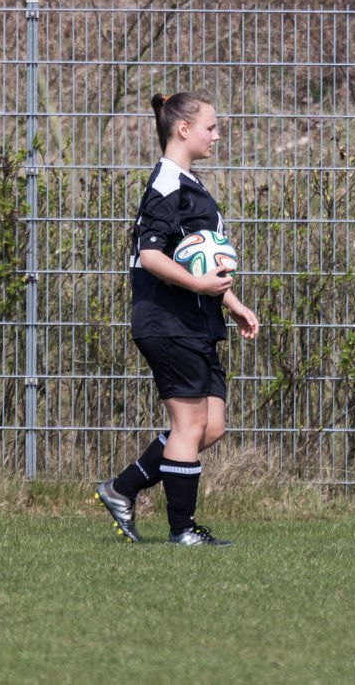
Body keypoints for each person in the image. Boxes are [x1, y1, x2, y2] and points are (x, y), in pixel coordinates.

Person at [95, 91, 259, 546]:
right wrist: (200, 288)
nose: (217, 134)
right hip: (167, 320)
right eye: (211, 126)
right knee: (189, 427)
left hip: (197, 319)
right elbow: (149, 255)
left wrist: (233, 302)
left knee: (211, 426)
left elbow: (200, 263)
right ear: (183, 130)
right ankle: (182, 530)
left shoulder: (193, 184)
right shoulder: (166, 184)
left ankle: (123, 487)